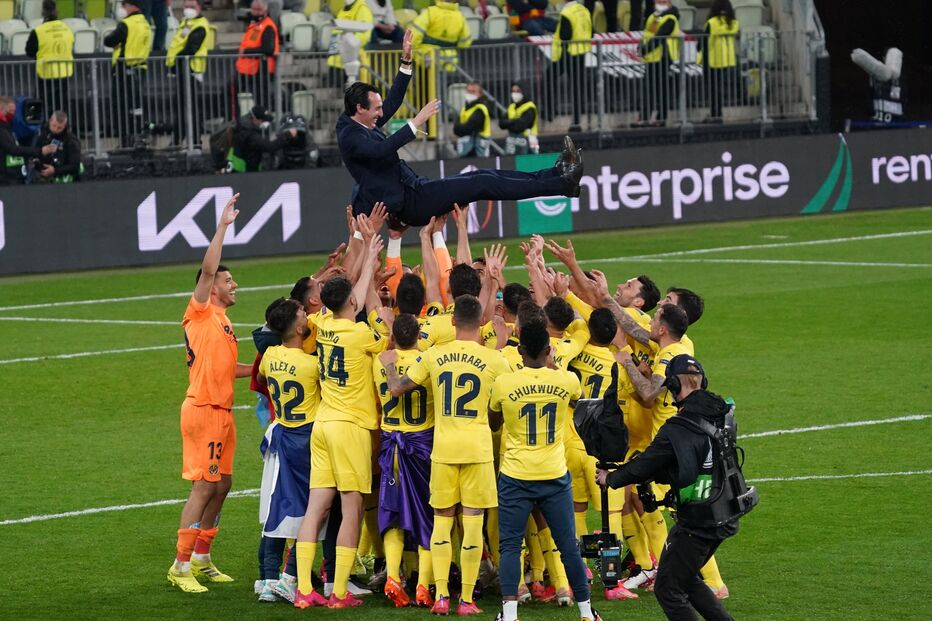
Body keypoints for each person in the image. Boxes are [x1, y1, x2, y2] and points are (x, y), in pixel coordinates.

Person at [337, 30, 583, 228]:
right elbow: (381, 149)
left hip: (414, 187)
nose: (382, 113)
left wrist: (406, 63)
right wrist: (416, 122)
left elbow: (392, 102)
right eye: (376, 109)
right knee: (481, 184)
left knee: (484, 177)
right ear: (359, 108)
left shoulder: (363, 119)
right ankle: (563, 185)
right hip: (410, 204)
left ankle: (556, 174)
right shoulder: (350, 135)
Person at [381, 294, 511, 615]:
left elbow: (397, 388)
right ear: (481, 323)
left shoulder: (435, 355)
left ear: (452, 322)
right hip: (478, 450)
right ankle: (466, 600)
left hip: (443, 449)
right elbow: (502, 407)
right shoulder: (495, 360)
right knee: (472, 523)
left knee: (441, 522)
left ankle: (440, 596)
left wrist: (388, 369)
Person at [596, 354, 739, 621]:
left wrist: (611, 479)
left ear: (672, 386)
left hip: (699, 521)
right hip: (726, 510)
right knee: (686, 579)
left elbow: (644, 465)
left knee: (668, 590)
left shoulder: (678, 427)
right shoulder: (723, 413)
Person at [292, 233, 391, 609]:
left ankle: (303, 589)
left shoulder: (323, 325)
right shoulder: (363, 334)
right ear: (351, 301)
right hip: (351, 428)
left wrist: (366, 260)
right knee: (351, 508)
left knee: (316, 507)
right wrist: (370, 263)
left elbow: (351, 296)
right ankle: (336, 593)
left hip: (323, 425)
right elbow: (376, 327)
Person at [488, 303, 602, 621]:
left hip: (515, 474)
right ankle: (586, 613)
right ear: (548, 349)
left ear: (520, 348)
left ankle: (509, 615)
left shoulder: (504, 384)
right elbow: (577, 401)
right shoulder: (566, 381)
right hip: (553, 474)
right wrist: (552, 368)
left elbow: (493, 423)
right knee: (567, 544)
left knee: (510, 546)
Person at [167, 193, 254, 593]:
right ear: (211, 287)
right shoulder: (200, 311)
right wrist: (222, 227)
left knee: (223, 485)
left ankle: (202, 556)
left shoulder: (223, 321)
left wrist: (259, 370)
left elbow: (225, 369)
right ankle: (179, 566)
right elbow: (206, 269)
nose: (233, 283)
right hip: (202, 409)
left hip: (223, 410)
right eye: (227, 279)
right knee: (203, 486)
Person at [255, 298, 320, 603]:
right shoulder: (311, 365)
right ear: (298, 327)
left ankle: (268, 579)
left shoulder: (269, 355)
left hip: (279, 434)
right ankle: (290, 576)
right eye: (303, 314)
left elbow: (261, 379)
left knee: (274, 510)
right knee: (312, 511)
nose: (307, 315)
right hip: (304, 440)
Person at [371, 313, 436, 608]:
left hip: (390, 445)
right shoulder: (429, 362)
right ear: (419, 335)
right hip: (421, 446)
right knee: (427, 515)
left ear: (394, 336)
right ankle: (423, 584)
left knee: (393, 514)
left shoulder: (380, 360)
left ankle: (394, 577)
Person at [104, 0, 152, 146]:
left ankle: (126, 141)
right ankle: (138, 138)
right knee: (136, 106)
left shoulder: (126, 24)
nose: (122, 8)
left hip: (124, 70)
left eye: (124, 5)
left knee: (122, 106)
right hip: (140, 68)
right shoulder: (145, 23)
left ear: (133, 6)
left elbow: (109, 40)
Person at [166, 0, 210, 145]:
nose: (188, 9)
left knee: (191, 108)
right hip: (181, 70)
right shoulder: (185, 22)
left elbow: (191, 48)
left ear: (199, 7)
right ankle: (178, 139)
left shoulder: (200, 25)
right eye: (186, 6)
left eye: (192, 7)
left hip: (192, 70)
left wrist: (177, 61)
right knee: (180, 106)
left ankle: (195, 140)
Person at [633, 0, 680, 127]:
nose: (660, 3)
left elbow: (659, 37)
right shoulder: (653, 17)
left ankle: (659, 118)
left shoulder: (670, 18)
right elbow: (647, 34)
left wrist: (644, 50)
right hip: (652, 58)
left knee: (659, 88)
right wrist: (641, 46)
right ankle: (646, 117)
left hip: (663, 57)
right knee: (651, 88)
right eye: (658, 1)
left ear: (669, 3)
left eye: (663, 1)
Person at [26, 0, 73, 118]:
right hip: (64, 72)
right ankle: (63, 131)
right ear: (57, 11)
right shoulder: (67, 28)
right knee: (62, 106)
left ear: (43, 12)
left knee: (45, 105)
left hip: (45, 74)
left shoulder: (39, 31)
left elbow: (29, 51)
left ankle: (46, 131)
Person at [551, 0, 592, 133]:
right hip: (581, 53)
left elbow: (564, 35)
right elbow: (591, 32)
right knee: (577, 88)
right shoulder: (584, 10)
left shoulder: (566, 12)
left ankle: (550, 110)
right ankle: (576, 121)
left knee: (548, 77)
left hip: (568, 54)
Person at [0, 96, 57, 185]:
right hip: (5, 178)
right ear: (1, 109)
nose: (13, 114)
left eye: (14, 111)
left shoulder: (9, 127)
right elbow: (11, 149)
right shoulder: (2, 128)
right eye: (10, 111)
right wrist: (39, 151)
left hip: (14, 175)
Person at [699, 0, 739, 123]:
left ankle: (714, 114)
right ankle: (718, 114)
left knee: (712, 89)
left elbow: (704, 42)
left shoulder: (711, 23)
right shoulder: (733, 23)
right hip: (726, 60)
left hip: (712, 59)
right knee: (719, 88)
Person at [236, 0, 279, 113]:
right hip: (248, 70)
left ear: (265, 10)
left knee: (262, 103)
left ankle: (264, 127)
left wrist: (246, 51)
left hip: (261, 71)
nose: (255, 12)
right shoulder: (254, 24)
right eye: (254, 9)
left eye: (258, 10)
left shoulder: (268, 26)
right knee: (232, 92)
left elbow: (268, 49)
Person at [227, 104, 297, 172]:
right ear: (255, 119)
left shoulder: (243, 125)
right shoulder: (249, 134)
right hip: (244, 172)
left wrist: (277, 136)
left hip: (239, 169)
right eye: (263, 121)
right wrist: (288, 135)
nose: (265, 123)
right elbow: (269, 146)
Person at [409, 0, 472, 72]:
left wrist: (414, 51)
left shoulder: (429, 12)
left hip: (427, 59)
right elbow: (465, 43)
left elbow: (414, 36)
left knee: (424, 82)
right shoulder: (460, 16)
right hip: (449, 61)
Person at [327, 0, 374, 87]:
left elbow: (365, 34)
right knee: (338, 95)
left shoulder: (362, 8)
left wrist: (349, 44)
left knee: (353, 95)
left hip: (353, 60)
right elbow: (336, 31)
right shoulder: (343, 9)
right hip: (335, 61)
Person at [33, 110, 82, 183]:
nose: (55, 129)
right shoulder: (43, 136)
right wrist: (41, 153)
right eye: (54, 126)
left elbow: (75, 166)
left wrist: (55, 170)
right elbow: (34, 155)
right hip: (43, 179)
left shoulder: (71, 141)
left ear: (65, 126)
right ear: (50, 121)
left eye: (59, 128)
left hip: (67, 181)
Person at [453, 81, 491, 158]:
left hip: (478, 150)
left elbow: (470, 127)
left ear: (479, 94)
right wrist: (461, 128)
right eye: (468, 91)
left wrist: (461, 128)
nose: (470, 94)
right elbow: (455, 128)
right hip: (466, 149)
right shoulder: (464, 109)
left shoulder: (480, 109)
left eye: (473, 92)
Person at [499, 82, 539, 155]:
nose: (514, 94)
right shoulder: (512, 106)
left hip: (528, 140)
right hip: (512, 141)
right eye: (513, 91)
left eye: (518, 91)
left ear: (524, 92)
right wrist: (515, 121)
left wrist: (509, 122)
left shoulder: (530, 107)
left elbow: (521, 126)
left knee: (528, 163)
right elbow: (501, 123)